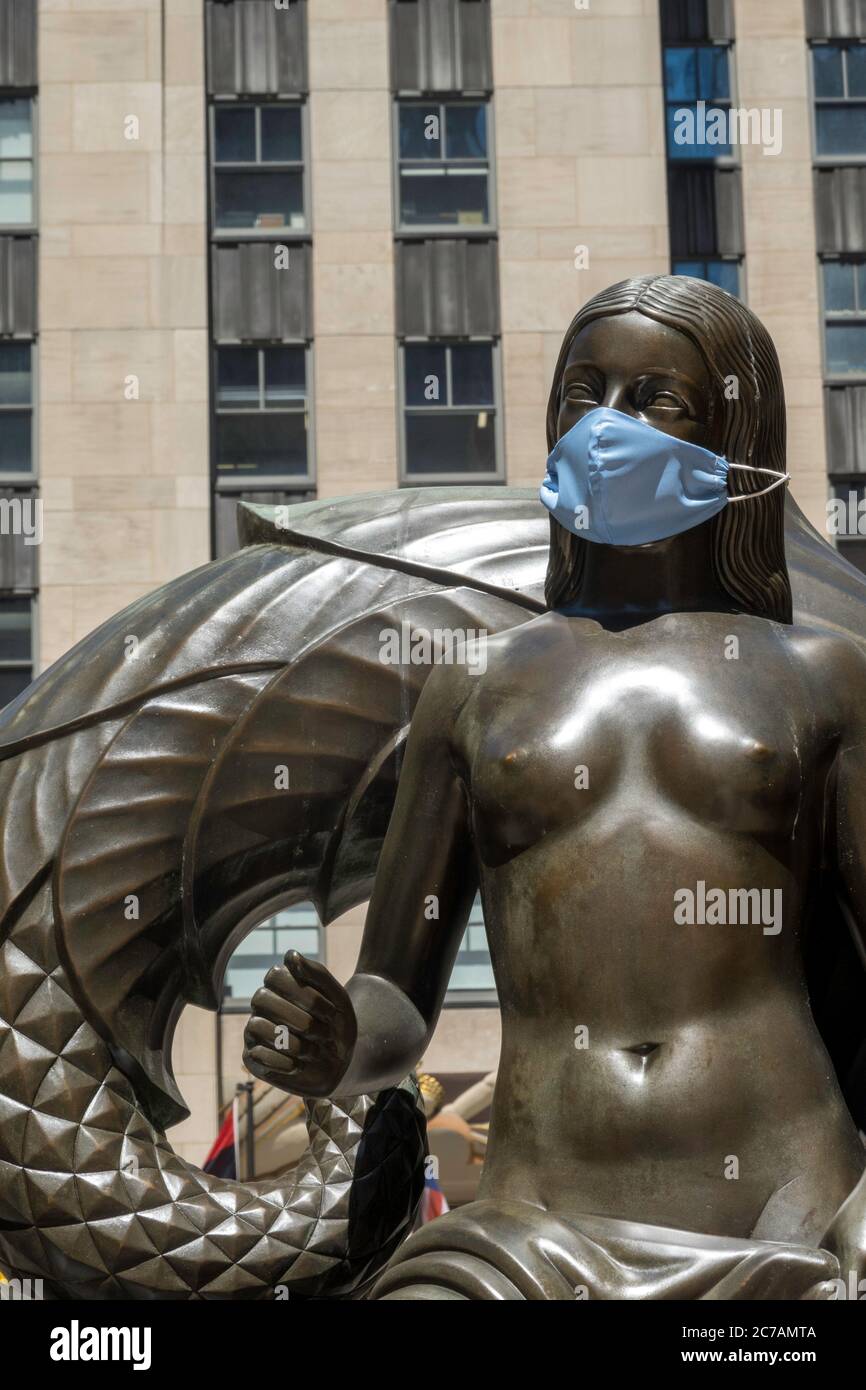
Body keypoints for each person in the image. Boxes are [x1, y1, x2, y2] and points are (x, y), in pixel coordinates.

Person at [243, 276, 866, 1300]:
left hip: (785, 1214)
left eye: (652, 398)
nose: (605, 424)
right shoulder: (476, 683)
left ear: (733, 431)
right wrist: (339, 1043)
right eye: (583, 393)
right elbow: (396, 992)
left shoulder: (820, 676)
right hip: (525, 1236)